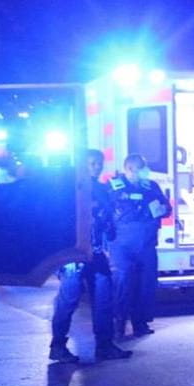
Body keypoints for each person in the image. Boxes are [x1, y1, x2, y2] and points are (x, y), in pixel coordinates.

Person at [49, 150, 131, 363]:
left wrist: (114, 208)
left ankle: (104, 345)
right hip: (73, 254)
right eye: (91, 163)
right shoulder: (68, 189)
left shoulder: (103, 189)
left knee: (104, 300)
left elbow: (111, 218)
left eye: (99, 163)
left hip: (95, 252)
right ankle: (57, 346)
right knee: (68, 300)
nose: (96, 167)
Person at [110, 154, 169, 339]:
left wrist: (158, 209)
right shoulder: (114, 186)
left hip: (147, 243)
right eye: (140, 167)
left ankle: (140, 323)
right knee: (124, 282)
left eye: (144, 166)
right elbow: (110, 211)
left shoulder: (151, 186)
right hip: (122, 244)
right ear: (128, 169)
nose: (144, 170)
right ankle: (119, 323)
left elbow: (166, 208)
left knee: (146, 284)